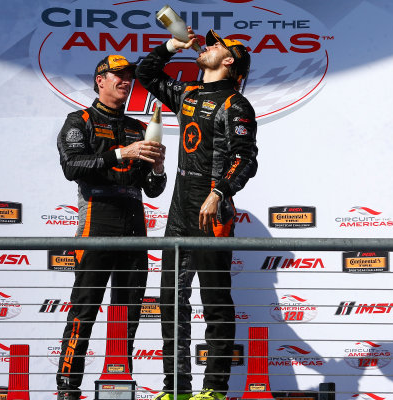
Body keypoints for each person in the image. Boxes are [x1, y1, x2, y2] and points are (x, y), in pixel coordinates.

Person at [135, 28, 258, 400]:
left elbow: (245, 159)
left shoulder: (236, 105)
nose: (206, 47)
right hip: (179, 211)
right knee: (171, 300)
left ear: (229, 60)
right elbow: (146, 75)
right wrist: (173, 46)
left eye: (215, 45)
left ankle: (215, 389)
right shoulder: (189, 92)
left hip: (212, 212)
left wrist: (219, 192)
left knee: (216, 301)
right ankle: (176, 388)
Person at [55, 54, 167, 400]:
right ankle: (68, 389)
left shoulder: (137, 126)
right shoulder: (80, 120)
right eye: (118, 75)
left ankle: (118, 387)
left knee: (128, 311)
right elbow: (72, 166)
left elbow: (152, 189)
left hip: (134, 224)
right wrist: (122, 154)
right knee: (84, 308)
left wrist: (159, 167)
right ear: (99, 80)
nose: (125, 80)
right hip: (96, 222)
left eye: (129, 76)